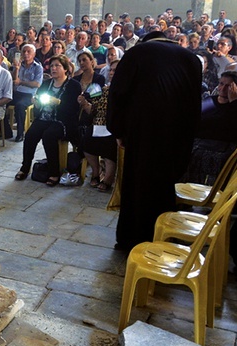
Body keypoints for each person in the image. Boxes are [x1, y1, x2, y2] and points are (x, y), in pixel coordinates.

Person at [107, 31, 202, 251]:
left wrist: (118, 130)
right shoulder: (191, 59)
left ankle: (136, 239)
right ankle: (165, 235)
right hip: (178, 133)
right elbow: (195, 102)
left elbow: (118, 93)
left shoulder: (138, 52)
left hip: (144, 131)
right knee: (164, 185)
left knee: (138, 185)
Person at [15, 54, 80, 185]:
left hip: (62, 121)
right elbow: (38, 106)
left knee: (49, 136)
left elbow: (73, 109)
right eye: (51, 66)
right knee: (30, 134)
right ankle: (25, 166)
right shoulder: (46, 84)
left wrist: (59, 103)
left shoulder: (74, 86)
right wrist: (37, 104)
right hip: (44, 118)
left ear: (65, 69)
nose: (53, 68)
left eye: (57, 66)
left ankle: (54, 172)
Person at [80, 59, 119, 192]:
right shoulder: (103, 89)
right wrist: (85, 103)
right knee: (87, 141)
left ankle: (108, 178)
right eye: (111, 70)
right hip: (98, 124)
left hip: (115, 125)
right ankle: (96, 173)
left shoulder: (126, 90)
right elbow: (93, 110)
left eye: (116, 70)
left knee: (109, 146)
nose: (112, 73)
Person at [8, 44, 43, 142]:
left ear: (34, 54)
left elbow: (37, 84)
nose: (26, 54)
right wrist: (17, 68)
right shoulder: (19, 64)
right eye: (24, 52)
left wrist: (21, 82)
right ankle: (6, 131)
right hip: (16, 92)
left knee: (20, 105)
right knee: (2, 102)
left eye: (29, 52)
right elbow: (14, 79)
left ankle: (20, 133)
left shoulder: (38, 67)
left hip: (29, 95)